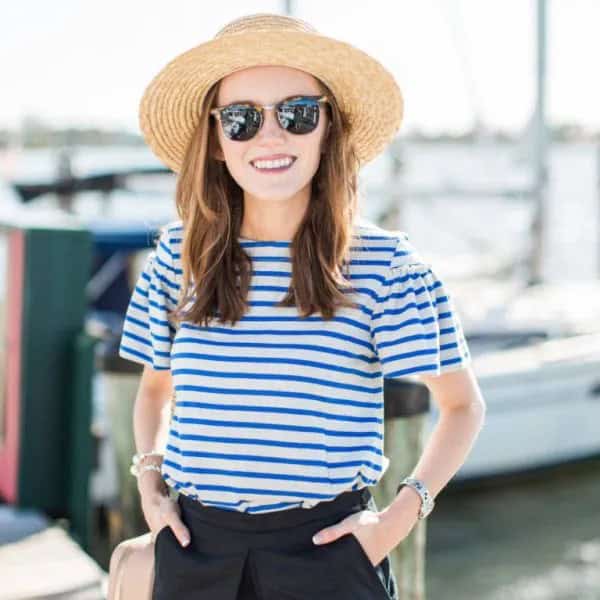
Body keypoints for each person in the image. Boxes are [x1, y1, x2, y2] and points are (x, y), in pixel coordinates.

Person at [118, 12, 486, 600]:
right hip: (195, 552)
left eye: (297, 114)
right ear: (215, 140)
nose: (270, 137)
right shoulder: (175, 258)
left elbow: (462, 405)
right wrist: (149, 483)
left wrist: (395, 521)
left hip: (327, 557)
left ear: (328, 128)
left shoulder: (386, 267)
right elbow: (154, 392)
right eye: (241, 119)